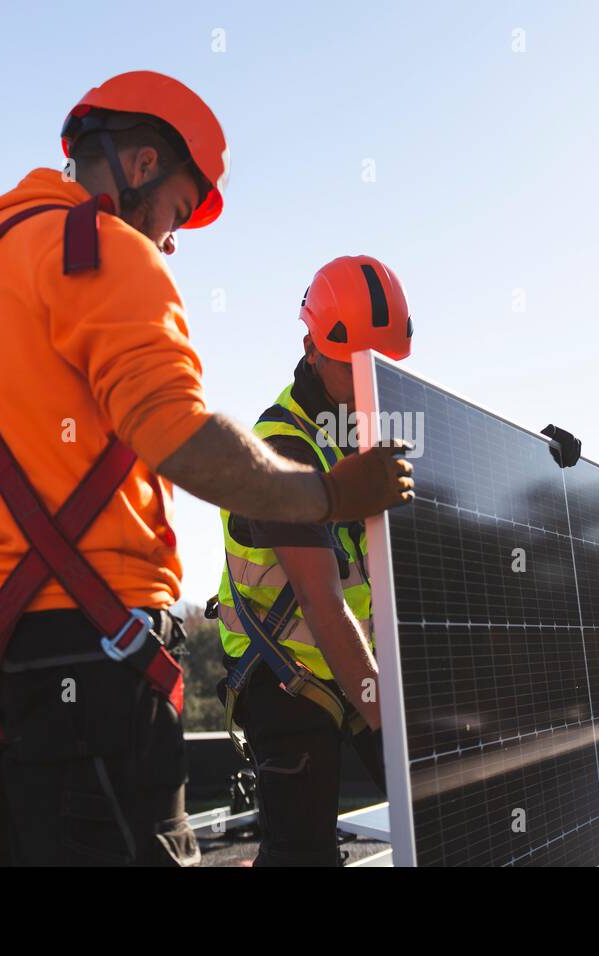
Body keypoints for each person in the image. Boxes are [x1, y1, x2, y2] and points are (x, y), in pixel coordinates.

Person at [0, 74, 414, 866]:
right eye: (177, 212)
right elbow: (178, 431)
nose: (172, 240)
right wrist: (326, 494)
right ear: (141, 163)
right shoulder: (103, 249)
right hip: (89, 654)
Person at [212, 255, 413, 866]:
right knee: (304, 856)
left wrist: (541, 463)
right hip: (287, 676)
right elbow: (323, 605)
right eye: (356, 362)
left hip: (356, 662)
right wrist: (395, 726)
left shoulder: (369, 430)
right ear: (311, 345)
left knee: (444, 815)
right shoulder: (280, 447)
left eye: (380, 363)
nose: (369, 378)